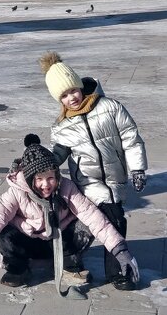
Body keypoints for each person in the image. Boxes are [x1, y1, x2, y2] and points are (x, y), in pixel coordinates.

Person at [0, 135, 139, 297]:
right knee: (1, 228)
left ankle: (71, 265)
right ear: (29, 179)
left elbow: (94, 219)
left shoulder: (67, 188)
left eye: (51, 178)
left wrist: (120, 250)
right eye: (39, 179)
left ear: (57, 176)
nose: (46, 185)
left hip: (62, 243)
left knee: (86, 221)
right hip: (29, 243)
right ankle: (18, 266)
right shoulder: (16, 193)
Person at [40, 51, 148, 291]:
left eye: (73, 91)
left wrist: (138, 168)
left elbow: (131, 138)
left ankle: (97, 264)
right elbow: (58, 154)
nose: (72, 98)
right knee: (106, 220)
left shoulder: (110, 108)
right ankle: (105, 269)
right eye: (64, 96)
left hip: (115, 178)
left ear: (80, 86)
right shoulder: (63, 127)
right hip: (88, 182)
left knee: (107, 222)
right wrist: (42, 162)